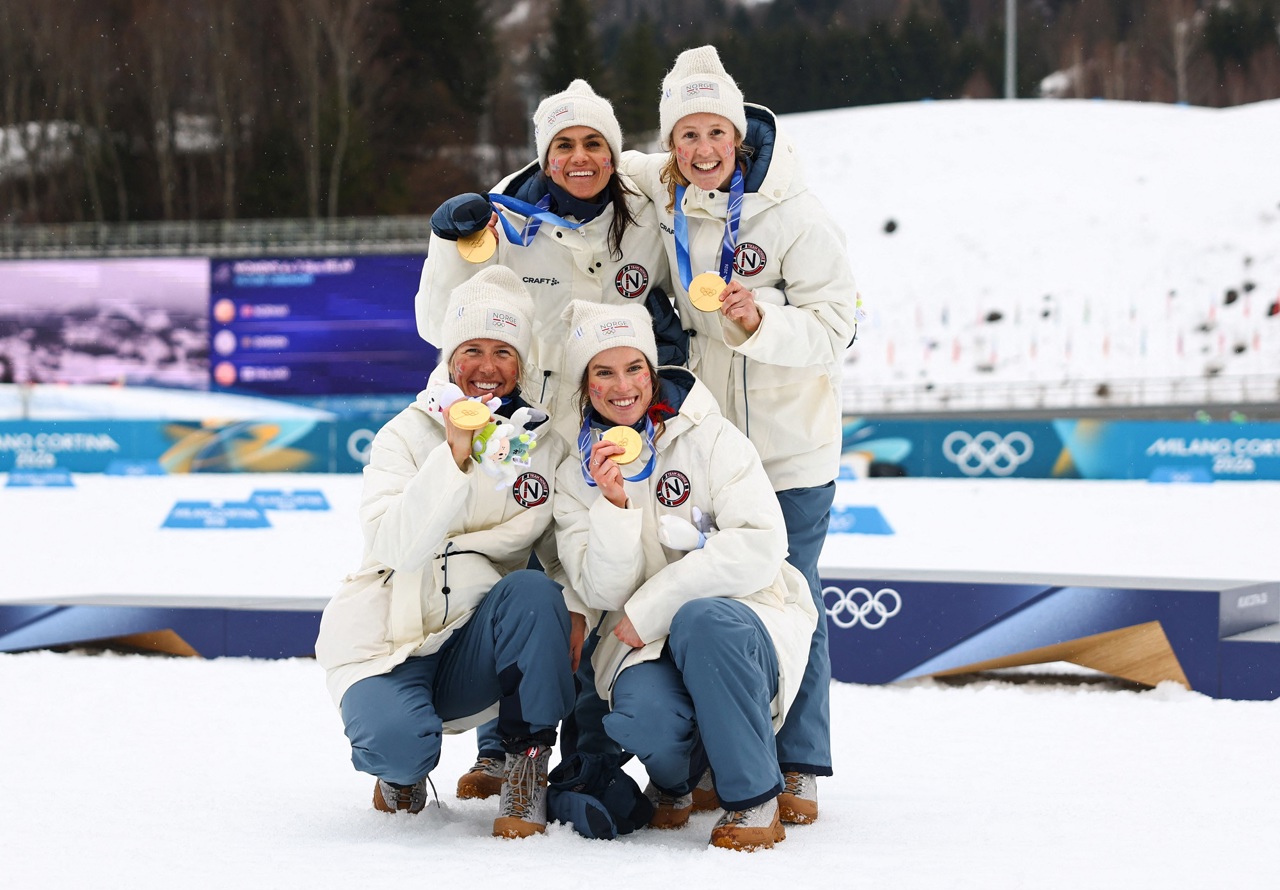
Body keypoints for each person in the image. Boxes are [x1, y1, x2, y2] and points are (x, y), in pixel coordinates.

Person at [415, 78, 684, 800]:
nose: (579, 157)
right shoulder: (502, 218)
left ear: (613, 149)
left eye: (594, 142)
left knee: (601, 587)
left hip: (611, 434)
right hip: (525, 441)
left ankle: (590, 759)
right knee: (516, 586)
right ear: (544, 153)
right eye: (563, 144)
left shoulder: (647, 214)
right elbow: (437, 323)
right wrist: (452, 249)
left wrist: (678, 379)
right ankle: (501, 748)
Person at [619, 45, 861, 824]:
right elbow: (582, 155)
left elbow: (836, 329)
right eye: (685, 136)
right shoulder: (666, 196)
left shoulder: (794, 211)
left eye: (714, 133)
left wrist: (762, 324)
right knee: (712, 604)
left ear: (740, 135)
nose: (702, 151)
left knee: (791, 598)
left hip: (790, 452)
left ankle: (798, 764)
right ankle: (723, 757)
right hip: (709, 455)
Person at [315, 266, 586, 839]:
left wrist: (579, 606)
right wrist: (454, 457)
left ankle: (525, 770)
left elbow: (562, 549)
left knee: (536, 590)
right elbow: (395, 545)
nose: (487, 369)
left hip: (473, 639)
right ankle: (400, 774)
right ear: (448, 359)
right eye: (472, 350)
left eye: (503, 352)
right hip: (388, 638)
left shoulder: (542, 447)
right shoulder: (405, 435)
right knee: (397, 746)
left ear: (523, 364)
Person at [552, 299, 818, 851]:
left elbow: (761, 545)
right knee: (641, 715)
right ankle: (677, 785)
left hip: (739, 625)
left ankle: (752, 801)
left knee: (702, 620)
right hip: (641, 646)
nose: (621, 386)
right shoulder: (574, 474)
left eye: (634, 369)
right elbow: (601, 591)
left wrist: (656, 604)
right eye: (603, 371)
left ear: (652, 373)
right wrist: (615, 506)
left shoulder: (710, 437)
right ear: (585, 386)